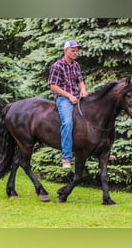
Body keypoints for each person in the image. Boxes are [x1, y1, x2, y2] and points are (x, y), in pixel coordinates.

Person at [47, 39, 88, 169]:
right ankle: (66, 158)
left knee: (93, 115)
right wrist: (69, 96)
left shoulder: (76, 65)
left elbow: (80, 80)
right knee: (68, 123)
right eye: (73, 50)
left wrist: (83, 89)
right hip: (63, 99)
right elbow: (53, 86)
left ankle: (101, 150)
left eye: (76, 50)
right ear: (66, 51)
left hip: (76, 96)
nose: (75, 52)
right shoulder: (57, 66)